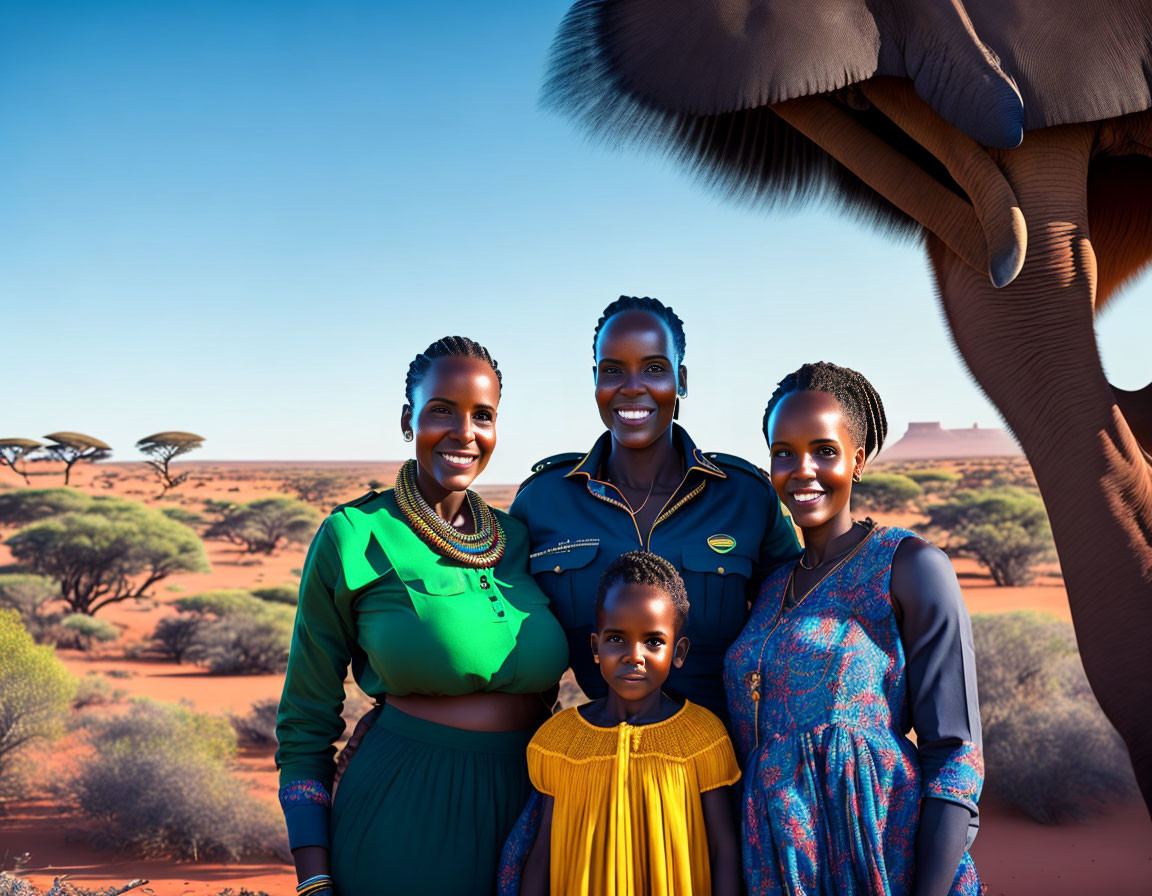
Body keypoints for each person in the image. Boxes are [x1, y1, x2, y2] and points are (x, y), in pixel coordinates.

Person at [274, 336, 569, 896]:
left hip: (532, 811)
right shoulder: (354, 534)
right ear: (409, 420)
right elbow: (304, 723)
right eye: (442, 411)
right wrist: (314, 876)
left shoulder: (521, 539)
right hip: (405, 810)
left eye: (483, 415)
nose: (464, 432)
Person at [724, 362, 983, 896]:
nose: (803, 469)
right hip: (775, 861)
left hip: (880, 858)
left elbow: (956, 753)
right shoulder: (770, 587)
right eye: (783, 452)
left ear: (857, 460)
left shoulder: (909, 565)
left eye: (824, 450)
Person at [511, 296, 801, 724]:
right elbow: (520, 655)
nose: (631, 386)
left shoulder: (746, 497)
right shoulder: (543, 502)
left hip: (723, 765)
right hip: (597, 764)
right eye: (612, 370)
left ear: (680, 379)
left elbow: (796, 633)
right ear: (595, 380)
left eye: (653, 368)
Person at [520, 551, 741, 896]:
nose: (634, 655)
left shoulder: (704, 736)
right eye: (616, 639)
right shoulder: (558, 742)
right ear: (596, 647)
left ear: (678, 652)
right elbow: (542, 854)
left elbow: (724, 851)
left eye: (653, 641)